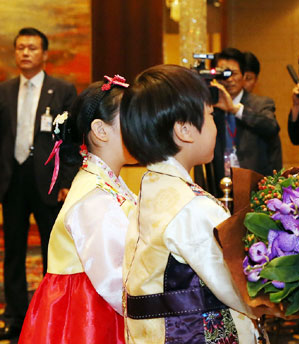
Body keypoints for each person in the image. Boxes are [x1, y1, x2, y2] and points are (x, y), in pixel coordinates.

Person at [120, 64, 258, 343]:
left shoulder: (151, 189)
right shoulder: (192, 207)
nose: (214, 124)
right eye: (210, 115)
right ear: (184, 129)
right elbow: (235, 289)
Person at [18, 75, 136, 343]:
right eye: (133, 117)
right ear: (101, 130)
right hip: (86, 316)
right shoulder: (95, 196)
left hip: (95, 305)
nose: (144, 126)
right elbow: (114, 280)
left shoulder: (106, 182)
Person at [0, 27, 77, 340]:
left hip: (48, 179)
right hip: (12, 179)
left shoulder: (62, 90)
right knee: (13, 250)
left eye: (32, 48)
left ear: (44, 54)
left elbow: (70, 139)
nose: (25, 53)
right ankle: (15, 313)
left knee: (52, 248)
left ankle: (50, 311)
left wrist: (67, 179)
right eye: (20, 48)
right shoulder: (4, 90)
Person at [201, 47, 281, 196]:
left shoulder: (261, 103)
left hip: (256, 188)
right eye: (223, 74)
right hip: (220, 186)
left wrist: (235, 110)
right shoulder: (210, 107)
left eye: (233, 73)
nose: (229, 79)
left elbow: (271, 126)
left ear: (244, 76)